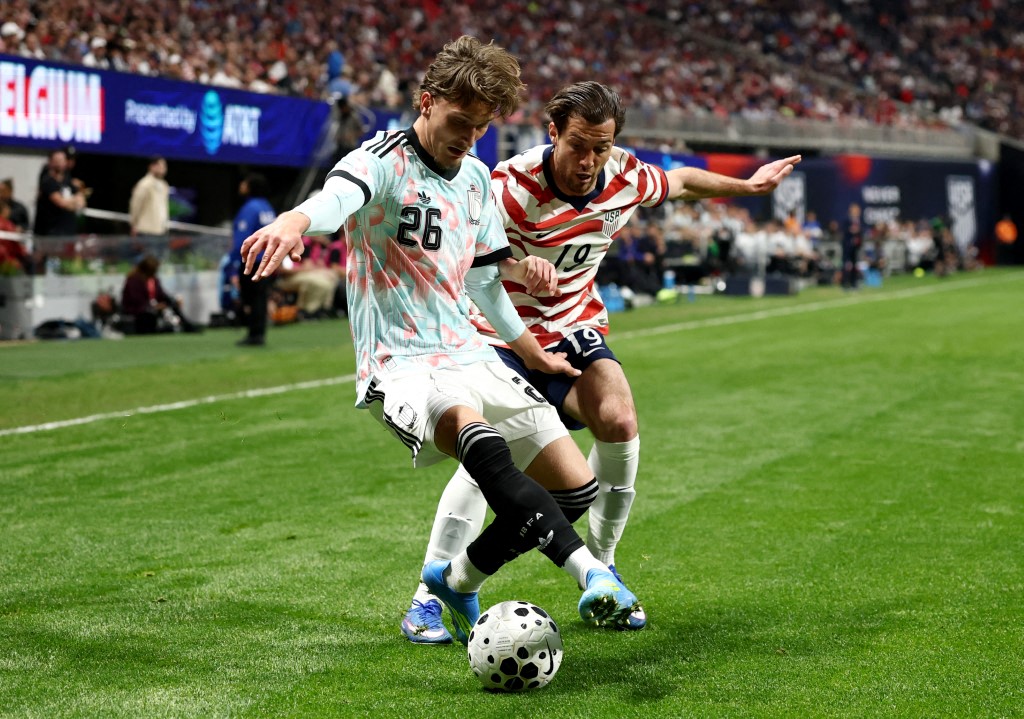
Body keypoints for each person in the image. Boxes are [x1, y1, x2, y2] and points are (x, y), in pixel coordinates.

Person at [239, 37, 642, 644]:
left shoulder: (476, 178)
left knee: (573, 489)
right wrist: (294, 220)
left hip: (469, 350)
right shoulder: (381, 159)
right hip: (401, 363)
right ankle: (592, 574)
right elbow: (337, 198)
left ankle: (455, 581)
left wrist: (530, 349)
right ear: (426, 102)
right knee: (480, 444)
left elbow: (483, 282)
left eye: (481, 127)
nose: (469, 138)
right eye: (460, 122)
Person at [403, 81, 801, 642]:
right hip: (500, 334)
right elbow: (460, 254)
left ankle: (604, 567)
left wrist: (749, 186)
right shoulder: (508, 186)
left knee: (618, 419)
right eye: (578, 146)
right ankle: (427, 598)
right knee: (490, 458)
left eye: (601, 147)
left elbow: (683, 182)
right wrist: (515, 266)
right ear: (553, 134)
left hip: (574, 327)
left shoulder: (625, 175)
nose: (589, 161)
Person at [231, 173, 277, 346]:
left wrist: (234, 262)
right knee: (261, 297)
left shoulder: (250, 208)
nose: (241, 186)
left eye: (245, 183)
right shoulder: (267, 207)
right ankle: (258, 332)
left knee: (252, 298)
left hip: (252, 260)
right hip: (267, 258)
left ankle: (254, 334)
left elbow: (241, 238)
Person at [120, 255, 200, 334]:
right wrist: (155, 307)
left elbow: (162, 295)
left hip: (149, 307)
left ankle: (187, 325)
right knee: (149, 313)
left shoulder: (153, 280)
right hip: (136, 310)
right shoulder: (133, 280)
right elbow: (137, 301)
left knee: (172, 303)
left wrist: (173, 301)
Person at [33, 149, 87, 237]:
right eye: (57, 160)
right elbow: (62, 203)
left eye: (62, 160)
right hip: (49, 234)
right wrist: (74, 202)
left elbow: (81, 201)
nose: (59, 164)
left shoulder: (67, 179)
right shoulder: (47, 181)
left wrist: (75, 201)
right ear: (50, 162)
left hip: (68, 232)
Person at [129, 156, 170, 239]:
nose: (163, 168)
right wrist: (134, 224)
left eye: (164, 166)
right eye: (160, 165)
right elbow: (135, 205)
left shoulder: (164, 185)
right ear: (152, 166)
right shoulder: (144, 184)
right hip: (146, 230)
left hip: (161, 230)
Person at [842, 203, 863, 289]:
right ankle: (845, 283)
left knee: (855, 264)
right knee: (846, 264)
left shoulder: (859, 220)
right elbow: (845, 230)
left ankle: (854, 282)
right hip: (848, 245)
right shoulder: (847, 219)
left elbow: (860, 231)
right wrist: (852, 230)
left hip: (856, 246)